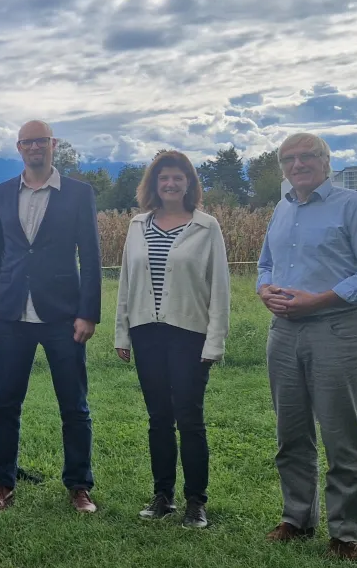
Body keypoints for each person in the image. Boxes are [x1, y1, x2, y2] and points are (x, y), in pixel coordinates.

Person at [257, 133, 357, 561]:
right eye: (289, 159)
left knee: (340, 437)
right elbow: (265, 265)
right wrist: (265, 290)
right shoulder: (282, 208)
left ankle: (347, 531)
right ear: (282, 167)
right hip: (283, 335)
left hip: (336, 331)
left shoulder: (353, 205)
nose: (298, 164)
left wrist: (319, 300)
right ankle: (297, 519)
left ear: (326, 161)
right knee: (291, 434)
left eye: (307, 156)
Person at [0, 120, 102, 513]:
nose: (35, 147)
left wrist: (88, 313)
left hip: (62, 316)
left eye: (41, 141)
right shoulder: (2, 194)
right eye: (27, 142)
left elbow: (92, 256)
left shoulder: (78, 194)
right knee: (5, 404)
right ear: (19, 148)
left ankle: (79, 485)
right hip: (12, 314)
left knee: (74, 405)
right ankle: (1, 482)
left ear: (53, 145)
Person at [114, 150, 230, 529]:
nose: (170, 184)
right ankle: (163, 495)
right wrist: (123, 334)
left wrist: (214, 342)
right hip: (147, 332)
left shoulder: (206, 227)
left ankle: (196, 501)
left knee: (190, 419)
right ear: (153, 184)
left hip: (189, 335)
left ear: (189, 184)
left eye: (177, 177)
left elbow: (220, 290)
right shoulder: (137, 225)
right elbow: (127, 285)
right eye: (163, 177)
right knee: (158, 418)